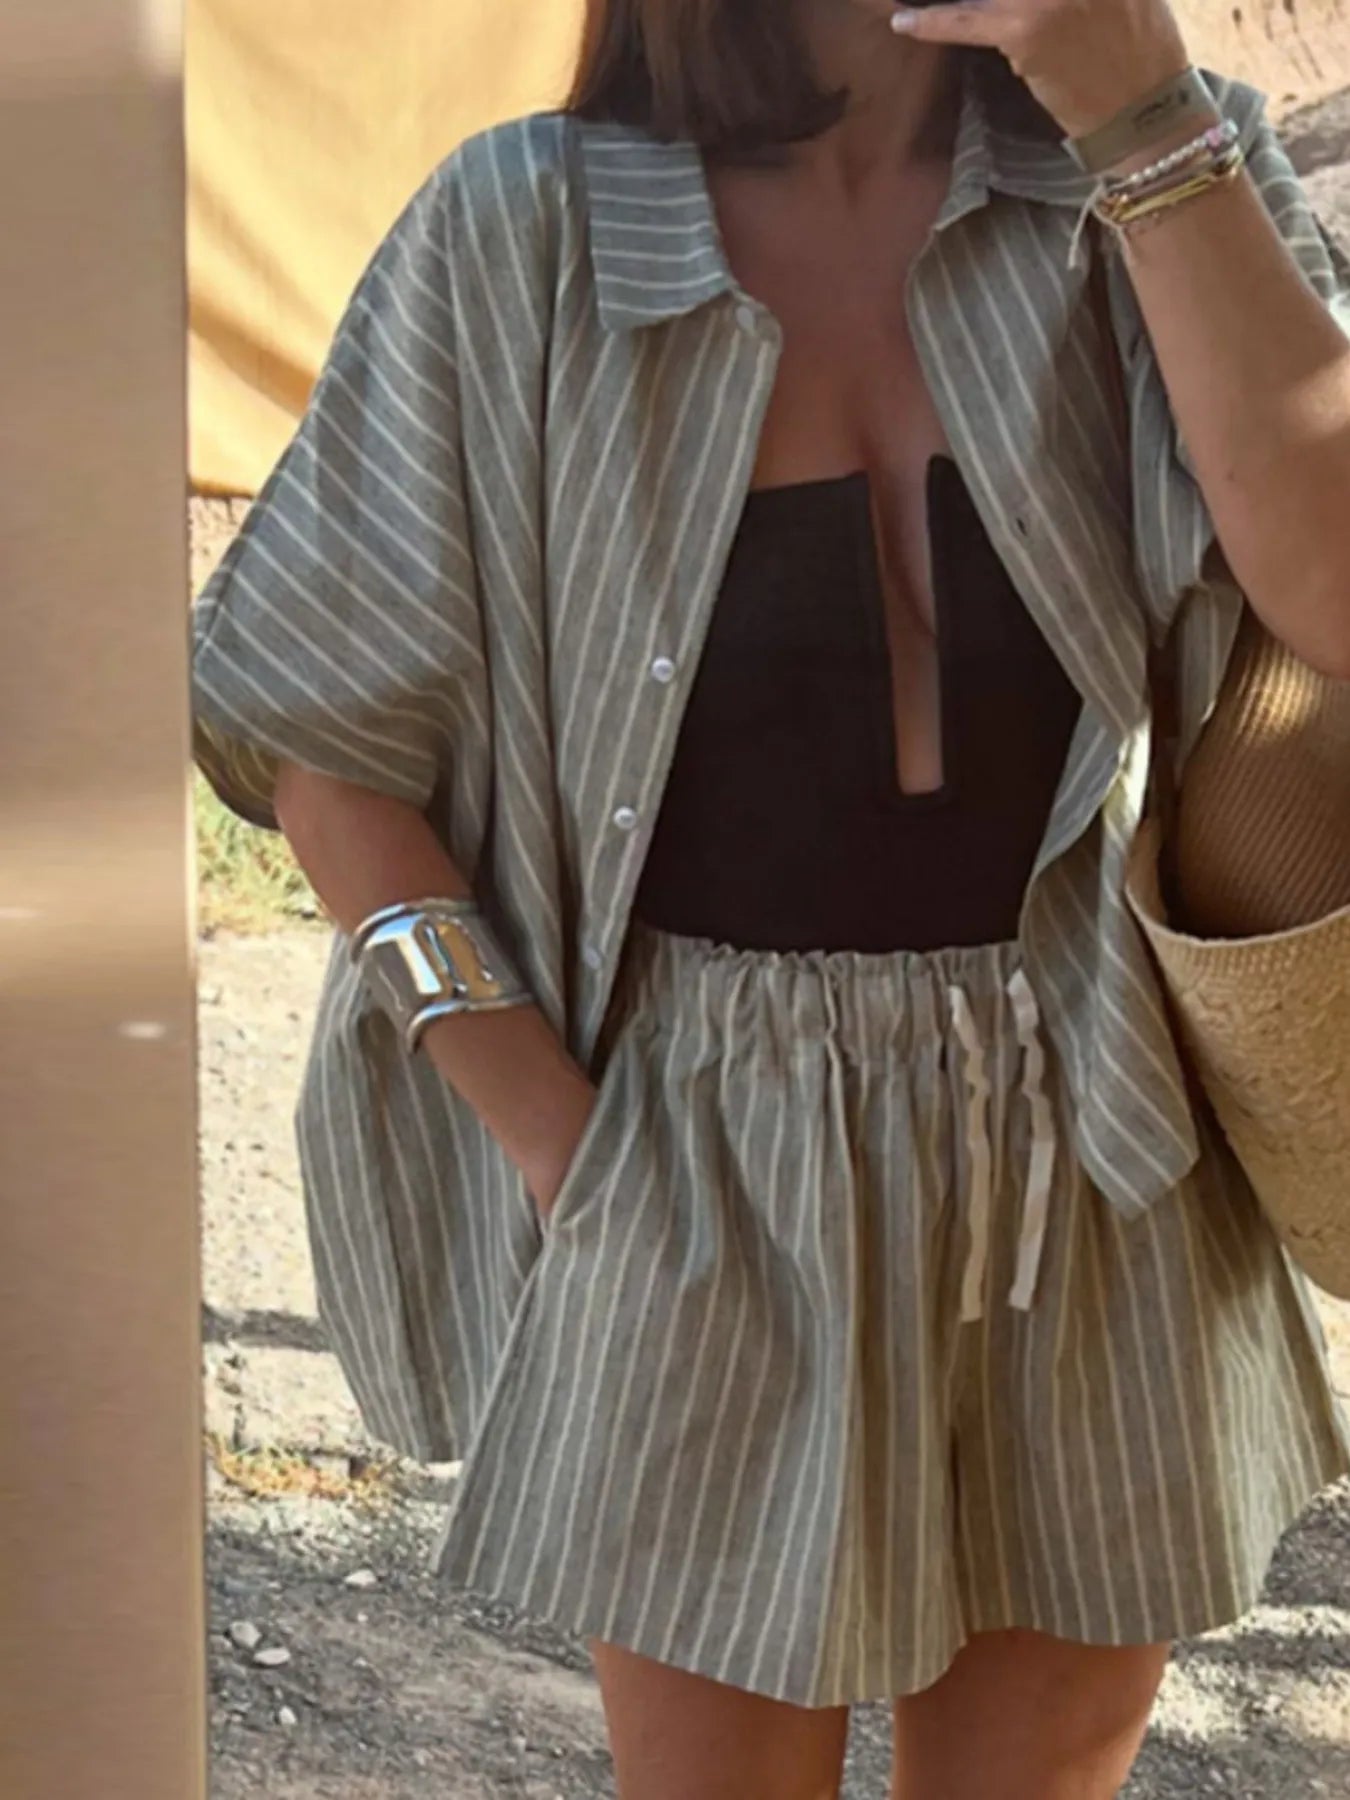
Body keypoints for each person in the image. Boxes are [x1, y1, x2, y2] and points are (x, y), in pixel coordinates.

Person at [192, 1, 1350, 1793]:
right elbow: (326, 743)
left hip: (1098, 1131)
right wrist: (564, 1149)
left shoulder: (1155, 173)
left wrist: (1137, 118)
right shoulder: (530, 229)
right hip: (697, 1145)